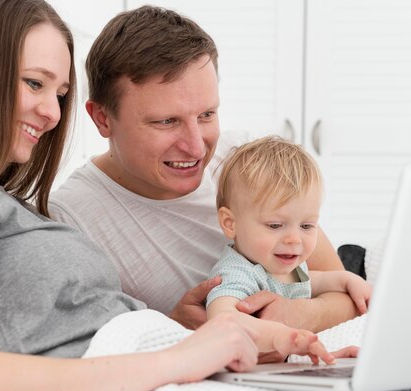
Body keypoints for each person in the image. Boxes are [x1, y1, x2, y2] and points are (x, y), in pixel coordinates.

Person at [0, 1, 339, 391]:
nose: (52, 113)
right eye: (34, 83)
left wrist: (274, 332)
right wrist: (179, 357)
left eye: (58, 92)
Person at [49, 5, 359, 333]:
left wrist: (298, 316)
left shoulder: (241, 159)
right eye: (166, 121)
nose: (197, 148)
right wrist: (170, 327)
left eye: (207, 115)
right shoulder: (71, 220)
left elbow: (348, 295)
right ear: (102, 118)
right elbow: (87, 346)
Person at [206, 136, 372, 341]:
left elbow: (316, 280)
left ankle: (357, 263)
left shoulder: (288, 265)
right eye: (275, 225)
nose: (294, 239)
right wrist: (281, 337)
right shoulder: (239, 273)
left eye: (307, 226)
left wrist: (348, 280)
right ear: (231, 223)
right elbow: (223, 317)